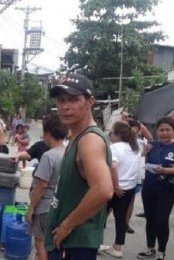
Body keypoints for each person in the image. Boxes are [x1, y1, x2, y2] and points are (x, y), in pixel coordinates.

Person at [44, 74, 114, 259]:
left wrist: (67, 225)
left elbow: (103, 190)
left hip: (74, 243)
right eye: (61, 100)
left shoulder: (89, 140)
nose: (65, 107)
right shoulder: (76, 137)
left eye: (74, 100)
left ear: (90, 102)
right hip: (67, 240)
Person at [18, 113, 67, 260]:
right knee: (56, 246)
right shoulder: (68, 152)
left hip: (44, 208)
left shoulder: (49, 156)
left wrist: (31, 208)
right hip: (61, 207)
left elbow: (41, 185)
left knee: (41, 248)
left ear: (48, 133)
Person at [137, 117, 174, 260]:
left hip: (167, 190)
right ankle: (150, 249)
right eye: (161, 130)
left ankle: (161, 252)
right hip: (149, 188)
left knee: (161, 220)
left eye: (168, 130)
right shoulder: (151, 145)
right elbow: (140, 163)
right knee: (150, 220)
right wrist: (144, 153)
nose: (164, 133)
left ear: (173, 131)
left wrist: (165, 171)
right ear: (157, 131)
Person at [102, 121, 141, 258]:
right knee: (121, 219)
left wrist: (116, 186)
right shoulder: (134, 147)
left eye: (111, 133)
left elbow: (113, 167)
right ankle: (117, 248)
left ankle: (96, 243)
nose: (110, 135)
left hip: (115, 188)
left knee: (99, 216)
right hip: (129, 187)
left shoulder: (114, 148)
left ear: (117, 134)